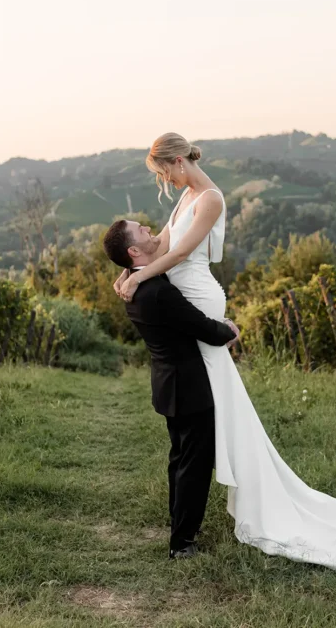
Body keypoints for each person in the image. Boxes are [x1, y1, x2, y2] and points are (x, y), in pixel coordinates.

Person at [111, 132, 336, 570]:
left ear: (180, 161)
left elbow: (183, 250)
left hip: (197, 293)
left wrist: (140, 278)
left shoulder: (210, 200)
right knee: (205, 411)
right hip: (178, 296)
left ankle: (201, 513)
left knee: (204, 408)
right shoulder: (184, 199)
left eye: (164, 170)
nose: (164, 179)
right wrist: (134, 273)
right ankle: (191, 512)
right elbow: (162, 245)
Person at [102, 218, 239, 559]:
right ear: (133, 250)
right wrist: (230, 331)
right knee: (194, 463)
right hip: (190, 387)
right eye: (142, 231)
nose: (150, 230)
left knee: (179, 459)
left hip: (169, 384)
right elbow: (202, 328)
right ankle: (183, 543)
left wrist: (126, 273)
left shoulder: (138, 285)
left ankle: (179, 523)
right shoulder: (157, 291)